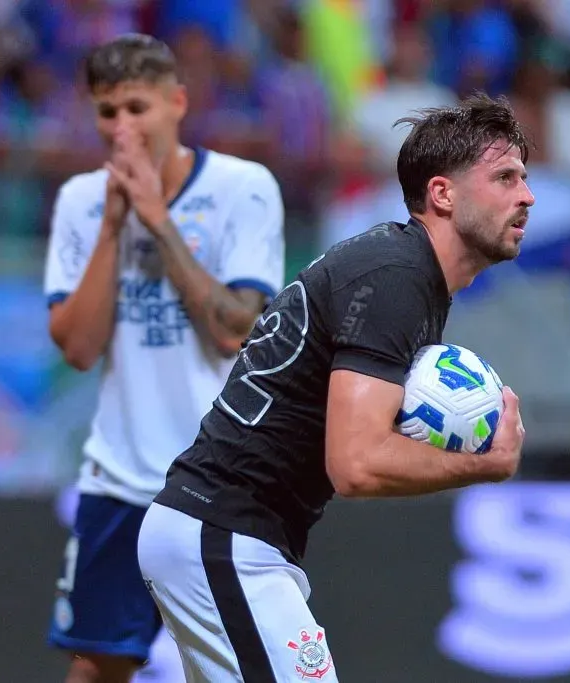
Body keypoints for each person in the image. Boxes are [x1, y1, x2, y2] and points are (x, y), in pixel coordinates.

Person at [137, 93, 532, 682]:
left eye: (524, 179)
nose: (526, 196)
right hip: (224, 532)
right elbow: (355, 463)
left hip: (227, 535)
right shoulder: (396, 278)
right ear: (442, 194)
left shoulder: (402, 273)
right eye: (504, 178)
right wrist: (485, 465)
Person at [42, 34, 286, 683]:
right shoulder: (82, 200)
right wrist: (114, 225)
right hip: (120, 478)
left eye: (136, 107)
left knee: (237, 666)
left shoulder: (243, 187)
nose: (121, 127)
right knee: (96, 664)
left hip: (221, 484)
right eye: (107, 111)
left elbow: (237, 329)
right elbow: (78, 347)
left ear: (177, 103)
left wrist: (158, 220)